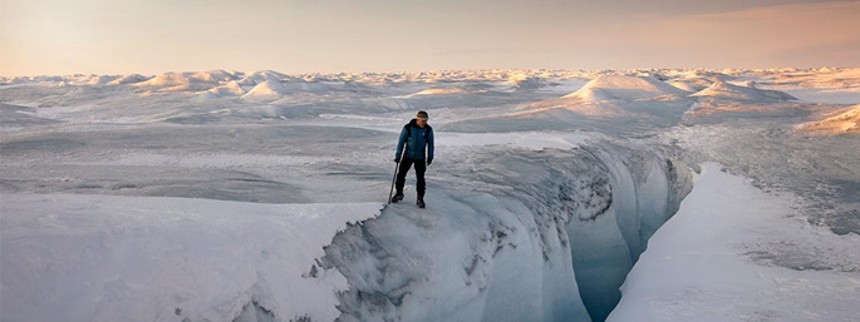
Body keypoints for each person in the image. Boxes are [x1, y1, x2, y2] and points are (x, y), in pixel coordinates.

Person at [392, 110, 434, 208]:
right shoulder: (408, 128)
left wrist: (430, 156)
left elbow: (431, 144)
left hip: (420, 157)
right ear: (417, 119)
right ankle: (399, 193)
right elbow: (401, 142)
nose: (424, 122)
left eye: (426, 120)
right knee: (401, 175)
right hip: (408, 156)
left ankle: (420, 198)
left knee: (420, 179)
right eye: (422, 120)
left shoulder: (428, 129)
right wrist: (398, 155)